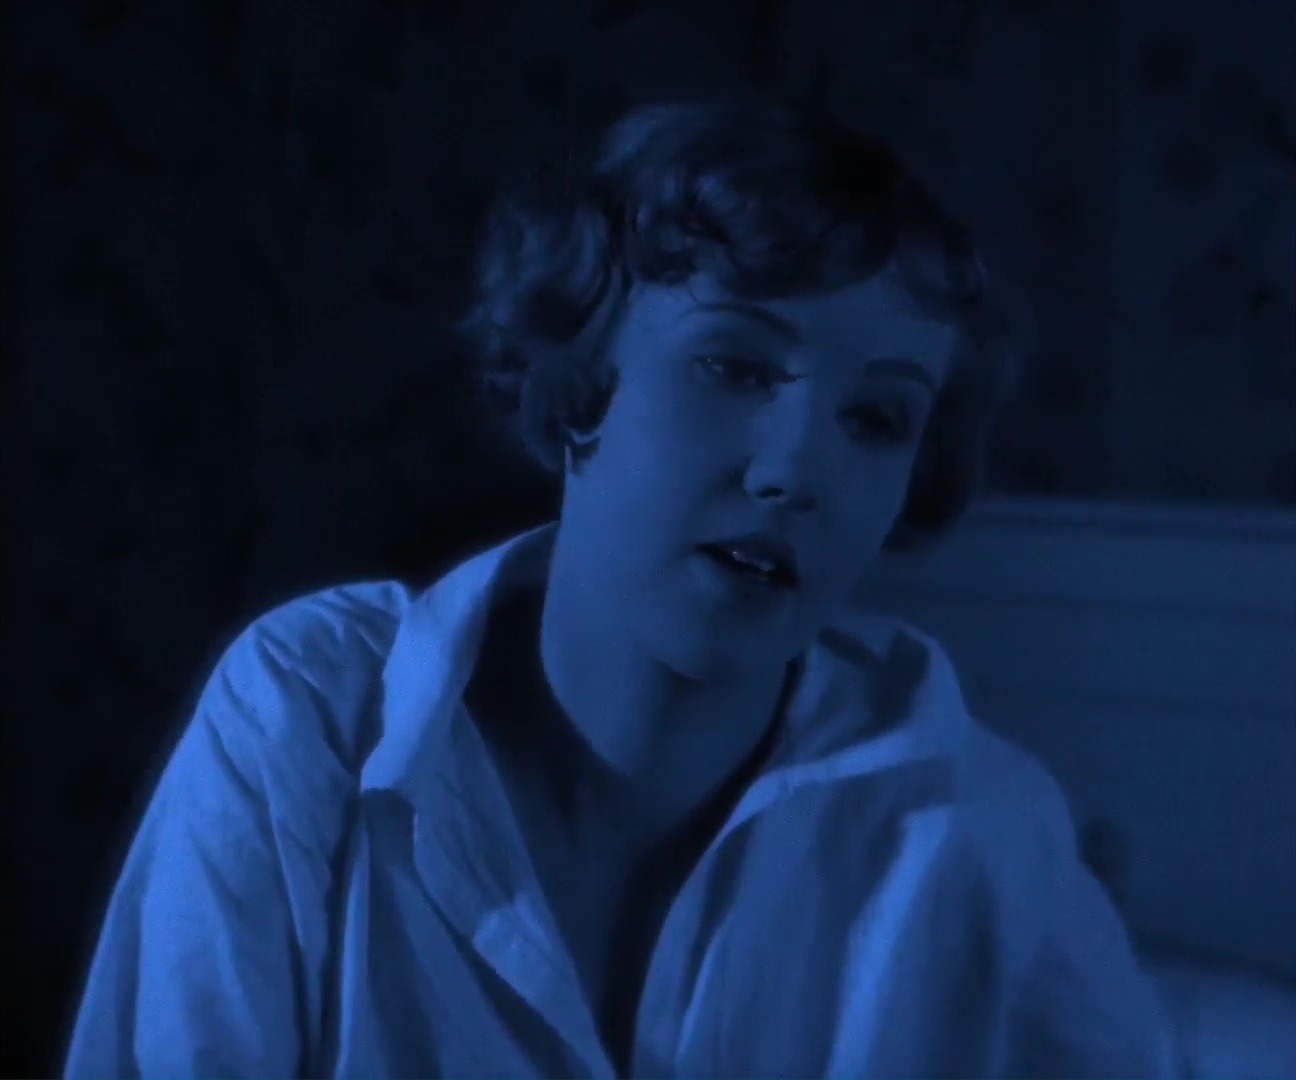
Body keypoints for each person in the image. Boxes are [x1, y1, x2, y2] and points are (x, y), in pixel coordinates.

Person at [63, 92, 1174, 1079]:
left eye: (877, 419)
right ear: (580, 378)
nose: (795, 471)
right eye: (734, 365)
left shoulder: (979, 829)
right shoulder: (314, 713)